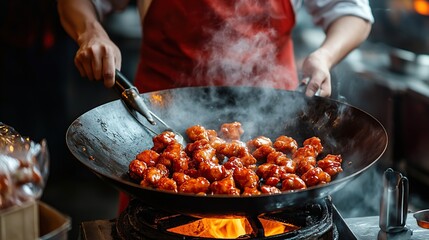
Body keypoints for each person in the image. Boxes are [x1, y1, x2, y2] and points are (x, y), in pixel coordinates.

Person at [57, 0, 373, 212]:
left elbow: (353, 10)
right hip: (160, 111)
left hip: (274, 104)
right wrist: (91, 31)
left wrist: (324, 57)